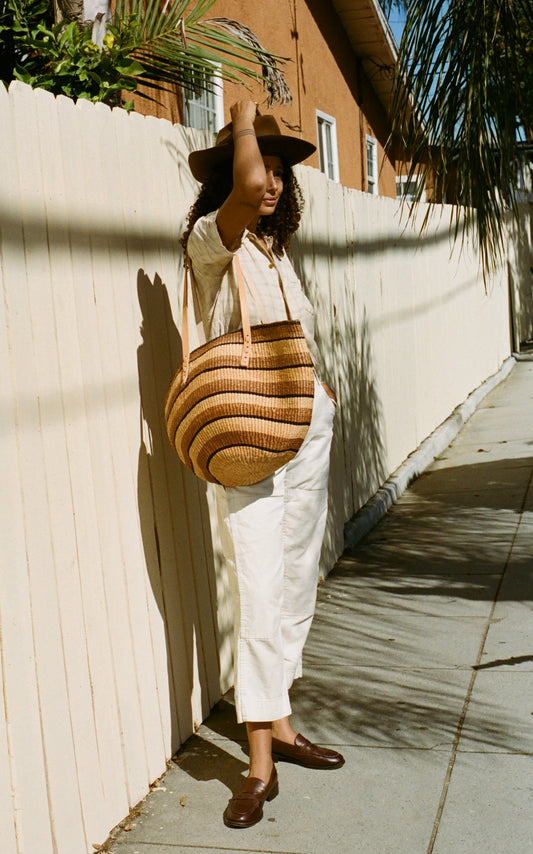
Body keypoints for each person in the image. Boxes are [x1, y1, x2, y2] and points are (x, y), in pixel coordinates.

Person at [181, 100, 344, 830]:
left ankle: (280, 720)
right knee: (257, 583)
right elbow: (243, 192)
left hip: (307, 433)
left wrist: (324, 394)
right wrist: (244, 118)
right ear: (229, 176)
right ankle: (256, 764)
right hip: (247, 441)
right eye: (261, 169)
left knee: (297, 577)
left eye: (281, 173)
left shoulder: (277, 252)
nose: (270, 184)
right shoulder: (212, 242)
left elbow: (299, 336)